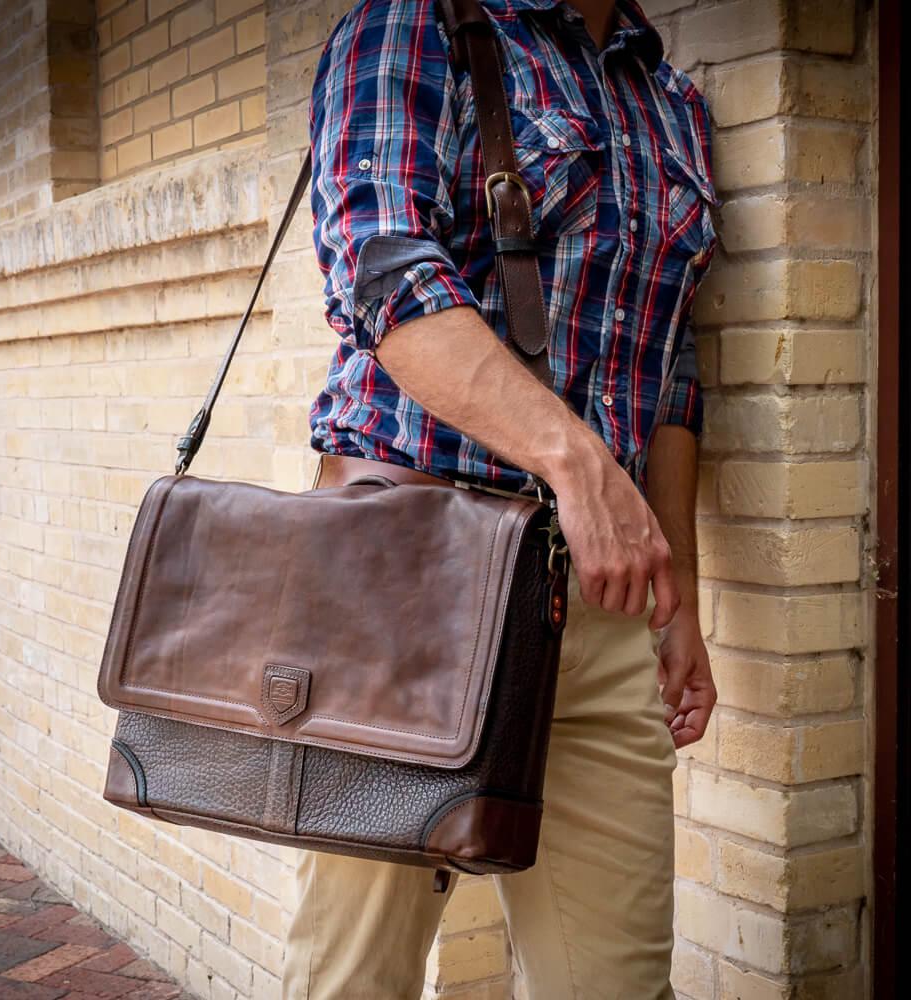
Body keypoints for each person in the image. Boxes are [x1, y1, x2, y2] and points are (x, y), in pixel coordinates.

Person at [282, 0, 718, 996]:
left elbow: (671, 368)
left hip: (602, 617)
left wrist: (679, 591)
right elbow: (381, 265)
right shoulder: (414, 23)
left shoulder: (672, 101)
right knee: (356, 978)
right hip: (405, 591)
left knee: (613, 982)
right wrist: (575, 464)